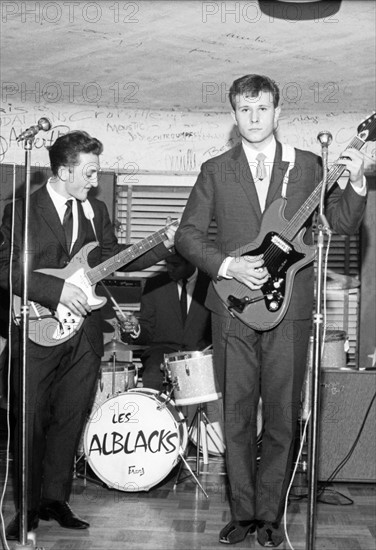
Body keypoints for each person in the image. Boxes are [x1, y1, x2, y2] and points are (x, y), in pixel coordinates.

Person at [175, 74, 367, 547]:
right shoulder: (215, 169)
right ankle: (242, 514)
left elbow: (340, 221)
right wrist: (229, 265)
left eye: (262, 109)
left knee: (282, 416)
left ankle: (271, 517)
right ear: (234, 114)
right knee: (237, 415)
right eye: (244, 109)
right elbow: (187, 236)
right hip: (234, 308)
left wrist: (358, 180)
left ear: (278, 113)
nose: (254, 118)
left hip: (293, 312)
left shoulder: (308, 167)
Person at [0, 130, 177, 540]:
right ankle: (25, 508)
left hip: (85, 333)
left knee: (70, 417)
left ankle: (54, 499)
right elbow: (4, 268)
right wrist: (56, 289)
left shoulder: (95, 210)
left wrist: (162, 245)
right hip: (36, 327)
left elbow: (113, 260)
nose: (95, 181)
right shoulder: (21, 211)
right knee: (29, 421)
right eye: (89, 172)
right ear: (64, 171)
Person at [119, 251, 211, 392]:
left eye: (175, 264)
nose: (169, 268)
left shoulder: (212, 285)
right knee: (152, 375)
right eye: (167, 263)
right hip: (162, 353)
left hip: (200, 354)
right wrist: (135, 328)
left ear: (192, 262)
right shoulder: (154, 285)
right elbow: (147, 330)